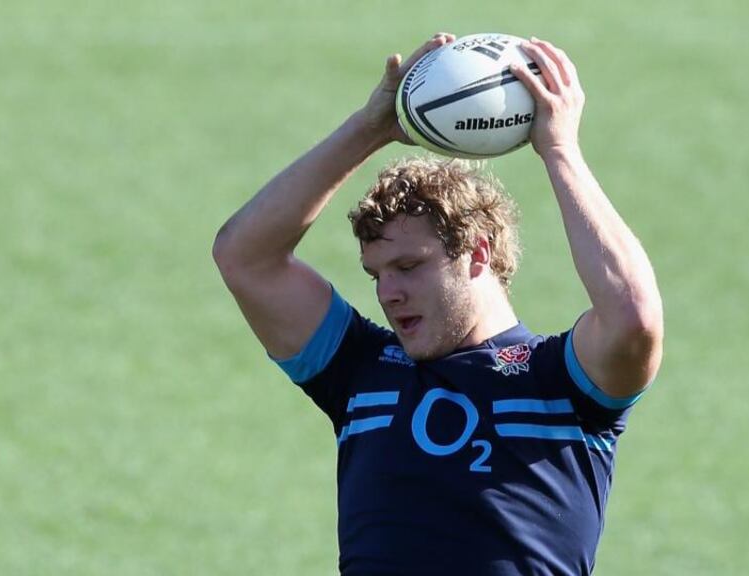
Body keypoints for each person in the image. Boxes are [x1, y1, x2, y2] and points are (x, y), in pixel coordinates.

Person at [213, 32, 664, 576]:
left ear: (476, 254)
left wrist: (561, 151)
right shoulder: (360, 373)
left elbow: (634, 316)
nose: (387, 292)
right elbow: (245, 257)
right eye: (376, 274)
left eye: (408, 267)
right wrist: (370, 129)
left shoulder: (560, 385)